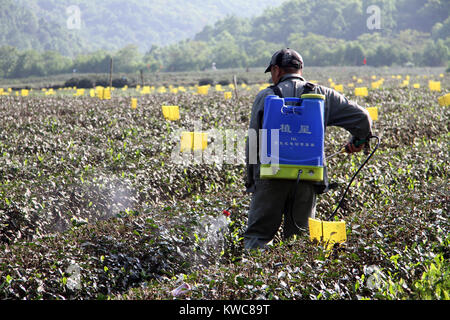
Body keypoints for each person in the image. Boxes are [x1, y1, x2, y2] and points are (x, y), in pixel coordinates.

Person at [244, 48, 373, 249]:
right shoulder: (322, 95)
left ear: (277, 70)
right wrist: (358, 140)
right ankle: (294, 279)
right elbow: (363, 118)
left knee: (258, 237)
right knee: (299, 242)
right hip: (308, 177)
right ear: (300, 69)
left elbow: (253, 140)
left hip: (270, 176)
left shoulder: (266, 96)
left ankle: (259, 279)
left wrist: (252, 181)